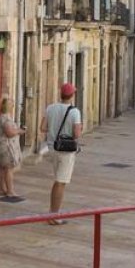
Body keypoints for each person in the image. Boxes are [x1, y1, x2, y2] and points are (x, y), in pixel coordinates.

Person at [39, 83, 82, 224]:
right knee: (60, 182)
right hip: (66, 151)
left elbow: (43, 128)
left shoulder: (50, 108)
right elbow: (76, 134)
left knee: (58, 180)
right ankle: (53, 216)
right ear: (72, 95)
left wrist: (54, 129)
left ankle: (53, 212)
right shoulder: (75, 112)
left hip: (52, 148)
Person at [0, 97, 24, 198]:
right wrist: (19, 131)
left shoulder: (0, 116)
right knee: (8, 168)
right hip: (6, 146)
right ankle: (10, 191)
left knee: (2, 167)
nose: (13, 106)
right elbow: (9, 133)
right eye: (11, 104)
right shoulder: (6, 118)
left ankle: (1, 189)